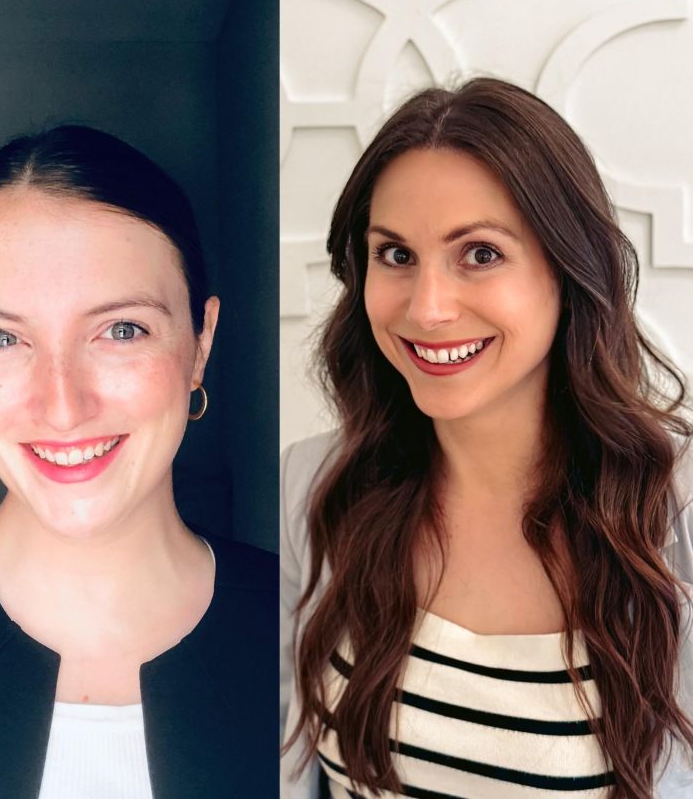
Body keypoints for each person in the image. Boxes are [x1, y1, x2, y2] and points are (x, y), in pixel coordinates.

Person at [280, 77, 693, 798]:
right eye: (395, 255)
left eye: (480, 254)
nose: (427, 309)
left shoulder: (673, 513)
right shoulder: (313, 485)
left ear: (568, 267)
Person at [0, 125, 277, 797]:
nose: (62, 407)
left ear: (200, 342)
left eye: (121, 330)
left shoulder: (311, 628)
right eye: (1, 338)